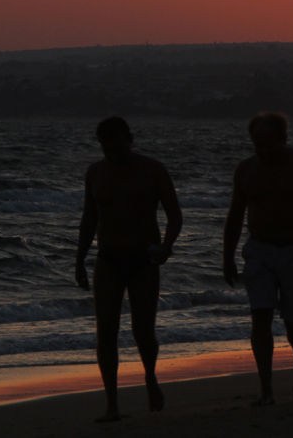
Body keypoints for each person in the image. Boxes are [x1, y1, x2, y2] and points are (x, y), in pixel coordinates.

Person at [223, 112, 293, 406]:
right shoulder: (246, 170)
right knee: (260, 316)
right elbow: (235, 216)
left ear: (283, 140)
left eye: (269, 145)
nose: (264, 151)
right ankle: (266, 388)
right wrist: (227, 256)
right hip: (259, 249)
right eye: (257, 145)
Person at [75, 116, 183, 423]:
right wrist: (79, 260)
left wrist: (167, 246)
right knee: (106, 331)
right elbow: (88, 219)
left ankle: (150, 376)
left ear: (130, 140)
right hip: (108, 259)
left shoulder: (153, 170)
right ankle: (112, 403)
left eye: (118, 146)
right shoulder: (95, 173)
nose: (113, 153)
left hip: (143, 260)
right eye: (107, 149)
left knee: (143, 331)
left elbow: (175, 216)